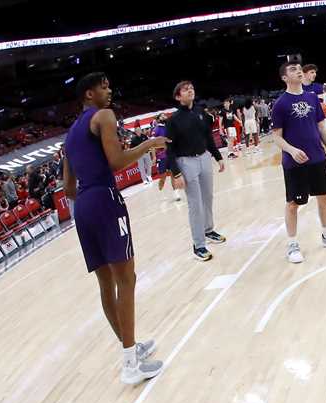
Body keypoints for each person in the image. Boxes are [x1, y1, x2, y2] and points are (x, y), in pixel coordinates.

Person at [63, 72, 167, 384]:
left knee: (106, 284)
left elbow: (68, 188)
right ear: (88, 94)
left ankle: (130, 349)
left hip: (83, 206)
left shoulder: (69, 135)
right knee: (127, 278)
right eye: (103, 86)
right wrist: (149, 144)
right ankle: (130, 365)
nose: (109, 90)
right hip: (105, 199)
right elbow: (118, 161)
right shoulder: (104, 116)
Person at [272, 62, 326, 265]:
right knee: (293, 204)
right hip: (294, 162)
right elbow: (277, 137)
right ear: (284, 78)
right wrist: (291, 150)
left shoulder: (312, 98)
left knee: (325, 196)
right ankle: (292, 245)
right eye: (292, 70)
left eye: (299, 68)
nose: (298, 71)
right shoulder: (280, 104)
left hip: (317, 157)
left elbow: (321, 128)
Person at [167, 81, 227, 262]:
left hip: (204, 158)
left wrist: (217, 156)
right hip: (186, 162)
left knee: (208, 197)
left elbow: (208, 137)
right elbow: (169, 149)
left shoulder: (201, 112)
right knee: (195, 204)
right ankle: (199, 245)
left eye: (192, 88)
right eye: (185, 89)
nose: (190, 90)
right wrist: (176, 173)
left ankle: (209, 230)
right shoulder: (173, 120)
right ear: (178, 97)